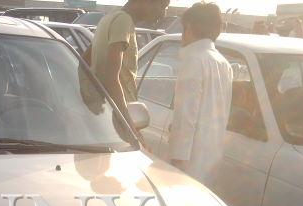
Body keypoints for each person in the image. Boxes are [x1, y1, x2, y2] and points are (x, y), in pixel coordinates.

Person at [83, 0, 169, 141]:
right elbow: (112, 79)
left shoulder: (110, 17)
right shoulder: (123, 21)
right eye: (162, 6)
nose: (163, 13)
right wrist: (130, 128)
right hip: (116, 122)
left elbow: (85, 62)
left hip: (104, 116)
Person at [168, 2, 233, 184]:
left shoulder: (194, 60)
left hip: (189, 162)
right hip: (211, 159)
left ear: (188, 28)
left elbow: (186, 115)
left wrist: (177, 160)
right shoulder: (224, 64)